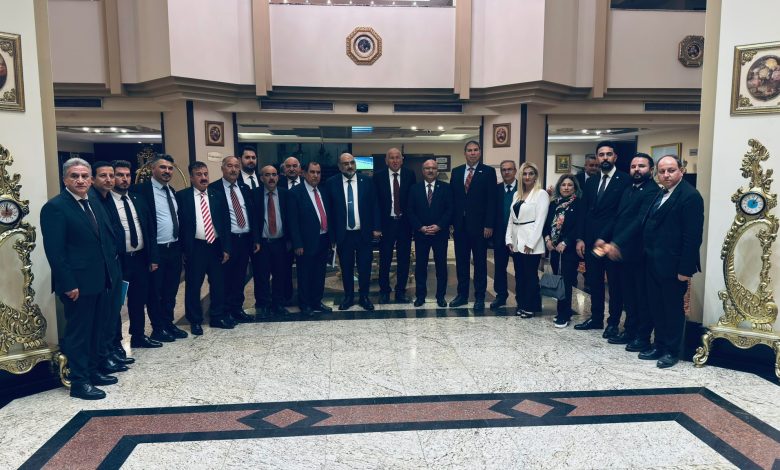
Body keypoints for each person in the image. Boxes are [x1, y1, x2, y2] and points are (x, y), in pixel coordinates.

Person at [40, 158, 121, 400]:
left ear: (91, 179)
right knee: (79, 334)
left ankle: (93, 372)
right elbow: (55, 252)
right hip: (77, 285)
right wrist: (68, 283)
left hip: (101, 280)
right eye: (75, 176)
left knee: (97, 330)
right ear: (65, 179)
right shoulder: (55, 207)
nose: (80, 180)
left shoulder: (93, 202)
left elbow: (104, 241)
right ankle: (79, 382)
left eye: (85, 176)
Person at [640, 156, 703, 368]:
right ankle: (659, 345)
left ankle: (672, 351)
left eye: (671, 170)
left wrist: (686, 269)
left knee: (673, 310)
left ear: (681, 171)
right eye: (662, 171)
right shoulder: (661, 193)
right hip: (653, 262)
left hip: (674, 266)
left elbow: (692, 237)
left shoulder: (690, 196)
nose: (666, 175)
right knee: (656, 307)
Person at [596, 153, 660, 348]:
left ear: (651, 170)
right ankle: (630, 331)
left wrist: (616, 243)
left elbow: (639, 221)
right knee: (628, 295)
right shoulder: (628, 189)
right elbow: (617, 217)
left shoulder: (652, 191)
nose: (637, 169)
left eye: (641, 166)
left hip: (639, 253)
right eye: (633, 166)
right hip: (622, 254)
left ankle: (642, 337)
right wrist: (603, 237)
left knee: (641, 296)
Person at [574, 141, 631, 336]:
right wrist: (580, 238)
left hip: (611, 242)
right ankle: (596, 318)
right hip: (591, 242)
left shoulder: (625, 180)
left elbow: (620, 214)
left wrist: (604, 238)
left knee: (614, 284)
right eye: (601, 154)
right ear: (597, 158)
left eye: (608, 154)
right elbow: (584, 211)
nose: (605, 158)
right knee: (594, 281)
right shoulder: (591, 181)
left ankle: (613, 322)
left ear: (615, 157)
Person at [133, 155, 189, 343]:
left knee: (170, 291)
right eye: (163, 167)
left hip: (174, 248)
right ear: (153, 169)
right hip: (155, 250)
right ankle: (158, 328)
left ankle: (168, 323)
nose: (167, 171)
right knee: (155, 292)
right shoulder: (141, 191)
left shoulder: (171, 191)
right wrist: (151, 255)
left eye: (170, 168)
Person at [176, 162, 232, 334]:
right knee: (193, 286)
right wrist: (183, 250)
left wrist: (226, 248)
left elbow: (225, 223)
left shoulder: (217, 195)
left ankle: (217, 316)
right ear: (191, 178)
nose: (203, 177)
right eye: (199, 174)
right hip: (195, 247)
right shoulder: (182, 197)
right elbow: (180, 226)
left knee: (218, 284)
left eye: (205, 174)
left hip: (216, 246)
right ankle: (195, 320)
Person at [112, 160, 162, 349]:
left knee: (138, 299)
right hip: (119, 260)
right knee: (116, 303)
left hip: (140, 258)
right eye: (120, 175)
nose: (124, 179)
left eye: (127, 175)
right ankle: (116, 342)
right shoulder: (106, 202)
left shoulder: (138, 199)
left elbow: (150, 230)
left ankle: (138, 336)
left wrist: (153, 257)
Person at [89, 162, 132, 374]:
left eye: (111, 175)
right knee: (104, 316)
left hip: (114, 263)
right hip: (101, 268)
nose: (109, 179)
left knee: (112, 312)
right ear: (93, 179)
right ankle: (102, 358)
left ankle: (110, 351)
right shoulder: (92, 200)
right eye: (103, 176)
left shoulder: (107, 199)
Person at [326, 152, 381, 311]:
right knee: (346, 267)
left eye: (352, 162)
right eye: (345, 163)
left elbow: (375, 205)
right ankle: (348, 297)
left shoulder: (367, 181)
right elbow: (329, 211)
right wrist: (332, 236)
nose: (349, 166)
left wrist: (377, 227)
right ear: (339, 166)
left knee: (365, 267)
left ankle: (364, 297)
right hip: (344, 235)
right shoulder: (331, 183)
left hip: (364, 233)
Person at [209, 156, 260, 324]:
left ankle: (237, 309)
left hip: (244, 240)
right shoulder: (213, 189)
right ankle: (223, 312)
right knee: (223, 279)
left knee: (239, 277)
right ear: (222, 168)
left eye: (236, 166)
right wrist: (223, 245)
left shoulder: (244, 188)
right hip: (226, 241)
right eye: (229, 166)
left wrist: (255, 238)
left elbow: (252, 214)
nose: (233, 170)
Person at [449, 141, 498, 309]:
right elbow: (453, 199)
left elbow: (492, 200)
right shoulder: (456, 172)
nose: (472, 153)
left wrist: (489, 224)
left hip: (480, 228)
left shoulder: (488, 172)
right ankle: (462, 295)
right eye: (469, 150)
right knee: (461, 263)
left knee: (480, 264)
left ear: (480, 152)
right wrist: (452, 223)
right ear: (465, 153)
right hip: (460, 227)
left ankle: (479, 297)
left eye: (475, 150)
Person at [288, 161, 332, 316]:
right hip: (305, 243)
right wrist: (297, 243)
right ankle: (305, 304)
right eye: (312, 172)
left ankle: (317, 301)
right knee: (305, 274)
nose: (315, 175)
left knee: (320, 273)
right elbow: (292, 221)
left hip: (323, 239)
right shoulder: (295, 193)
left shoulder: (323, 191)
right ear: (304, 173)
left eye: (318, 172)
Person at [407, 159, 452, 307]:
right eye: (427, 168)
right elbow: (410, 211)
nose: (430, 170)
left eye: (433, 168)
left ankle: (441, 296)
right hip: (421, 234)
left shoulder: (446, 188)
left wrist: (439, 226)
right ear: (423, 171)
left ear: (437, 171)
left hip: (440, 234)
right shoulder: (414, 189)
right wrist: (420, 227)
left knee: (441, 267)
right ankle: (420, 296)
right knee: (420, 267)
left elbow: (450, 210)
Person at [505, 162, 549, 317]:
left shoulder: (541, 194)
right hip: (517, 241)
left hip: (531, 242)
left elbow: (540, 221)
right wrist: (509, 239)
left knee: (530, 276)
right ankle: (521, 304)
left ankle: (531, 306)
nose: (527, 177)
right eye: (524, 174)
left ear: (536, 176)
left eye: (531, 173)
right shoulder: (517, 194)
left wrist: (531, 243)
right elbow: (511, 219)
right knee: (520, 275)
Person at [373, 147, 416, 304]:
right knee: (385, 259)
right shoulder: (378, 176)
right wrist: (376, 226)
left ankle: (400, 291)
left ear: (402, 159)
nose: (395, 160)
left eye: (398, 157)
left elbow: (412, 200)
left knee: (404, 259)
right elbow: (375, 203)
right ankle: (384, 291)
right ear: (386, 160)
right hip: (386, 224)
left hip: (404, 224)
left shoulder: (410, 175)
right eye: (391, 157)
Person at [543, 174, 585, 327]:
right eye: (563, 185)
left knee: (566, 281)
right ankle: (562, 310)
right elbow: (546, 224)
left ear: (575, 188)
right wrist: (547, 239)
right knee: (558, 280)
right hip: (554, 249)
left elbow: (579, 226)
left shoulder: (579, 204)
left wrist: (566, 242)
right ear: (559, 187)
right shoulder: (553, 204)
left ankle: (564, 315)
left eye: (570, 185)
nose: (566, 188)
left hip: (569, 250)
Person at [255, 164, 292, 316]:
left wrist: (290, 241)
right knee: (262, 276)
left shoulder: (285, 194)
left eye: (274, 174)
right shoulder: (255, 194)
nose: (271, 178)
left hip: (280, 243)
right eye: (267, 175)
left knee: (280, 275)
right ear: (261, 178)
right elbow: (253, 220)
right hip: (262, 243)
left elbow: (290, 219)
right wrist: (255, 240)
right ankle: (263, 305)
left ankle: (278, 304)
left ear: (278, 177)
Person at [491, 160, 518, 310]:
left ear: (515, 171)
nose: (506, 172)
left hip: (518, 235)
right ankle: (501, 295)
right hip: (500, 235)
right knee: (500, 267)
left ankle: (521, 296)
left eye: (509, 169)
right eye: (503, 170)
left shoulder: (523, 188)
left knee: (520, 268)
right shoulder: (496, 189)